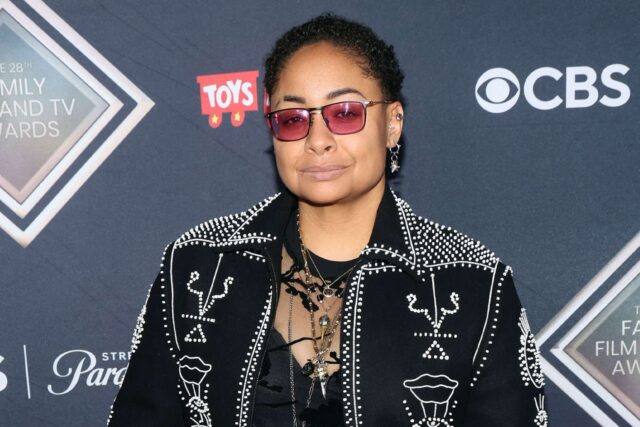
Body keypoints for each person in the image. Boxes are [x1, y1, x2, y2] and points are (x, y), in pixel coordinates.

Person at [108, 13, 547, 427]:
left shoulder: (471, 281)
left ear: (392, 123)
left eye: (345, 113)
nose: (318, 140)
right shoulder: (199, 264)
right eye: (293, 119)